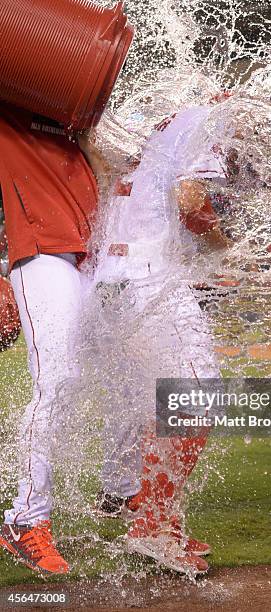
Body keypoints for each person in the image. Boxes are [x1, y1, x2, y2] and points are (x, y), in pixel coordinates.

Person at [79, 101, 232, 576]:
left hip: (105, 278)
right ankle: (152, 527)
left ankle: (156, 517)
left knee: (153, 406)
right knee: (196, 398)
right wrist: (230, 249)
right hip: (147, 275)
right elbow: (190, 202)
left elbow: (101, 170)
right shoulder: (209, 117)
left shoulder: (146, 121)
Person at [0, 102, 98, 574]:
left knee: (107, 379)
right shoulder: (9, 103)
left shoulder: (75, 111)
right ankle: (25, 519)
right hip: (42, 253)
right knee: (56, 380)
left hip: (93, 255)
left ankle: (127, 498)